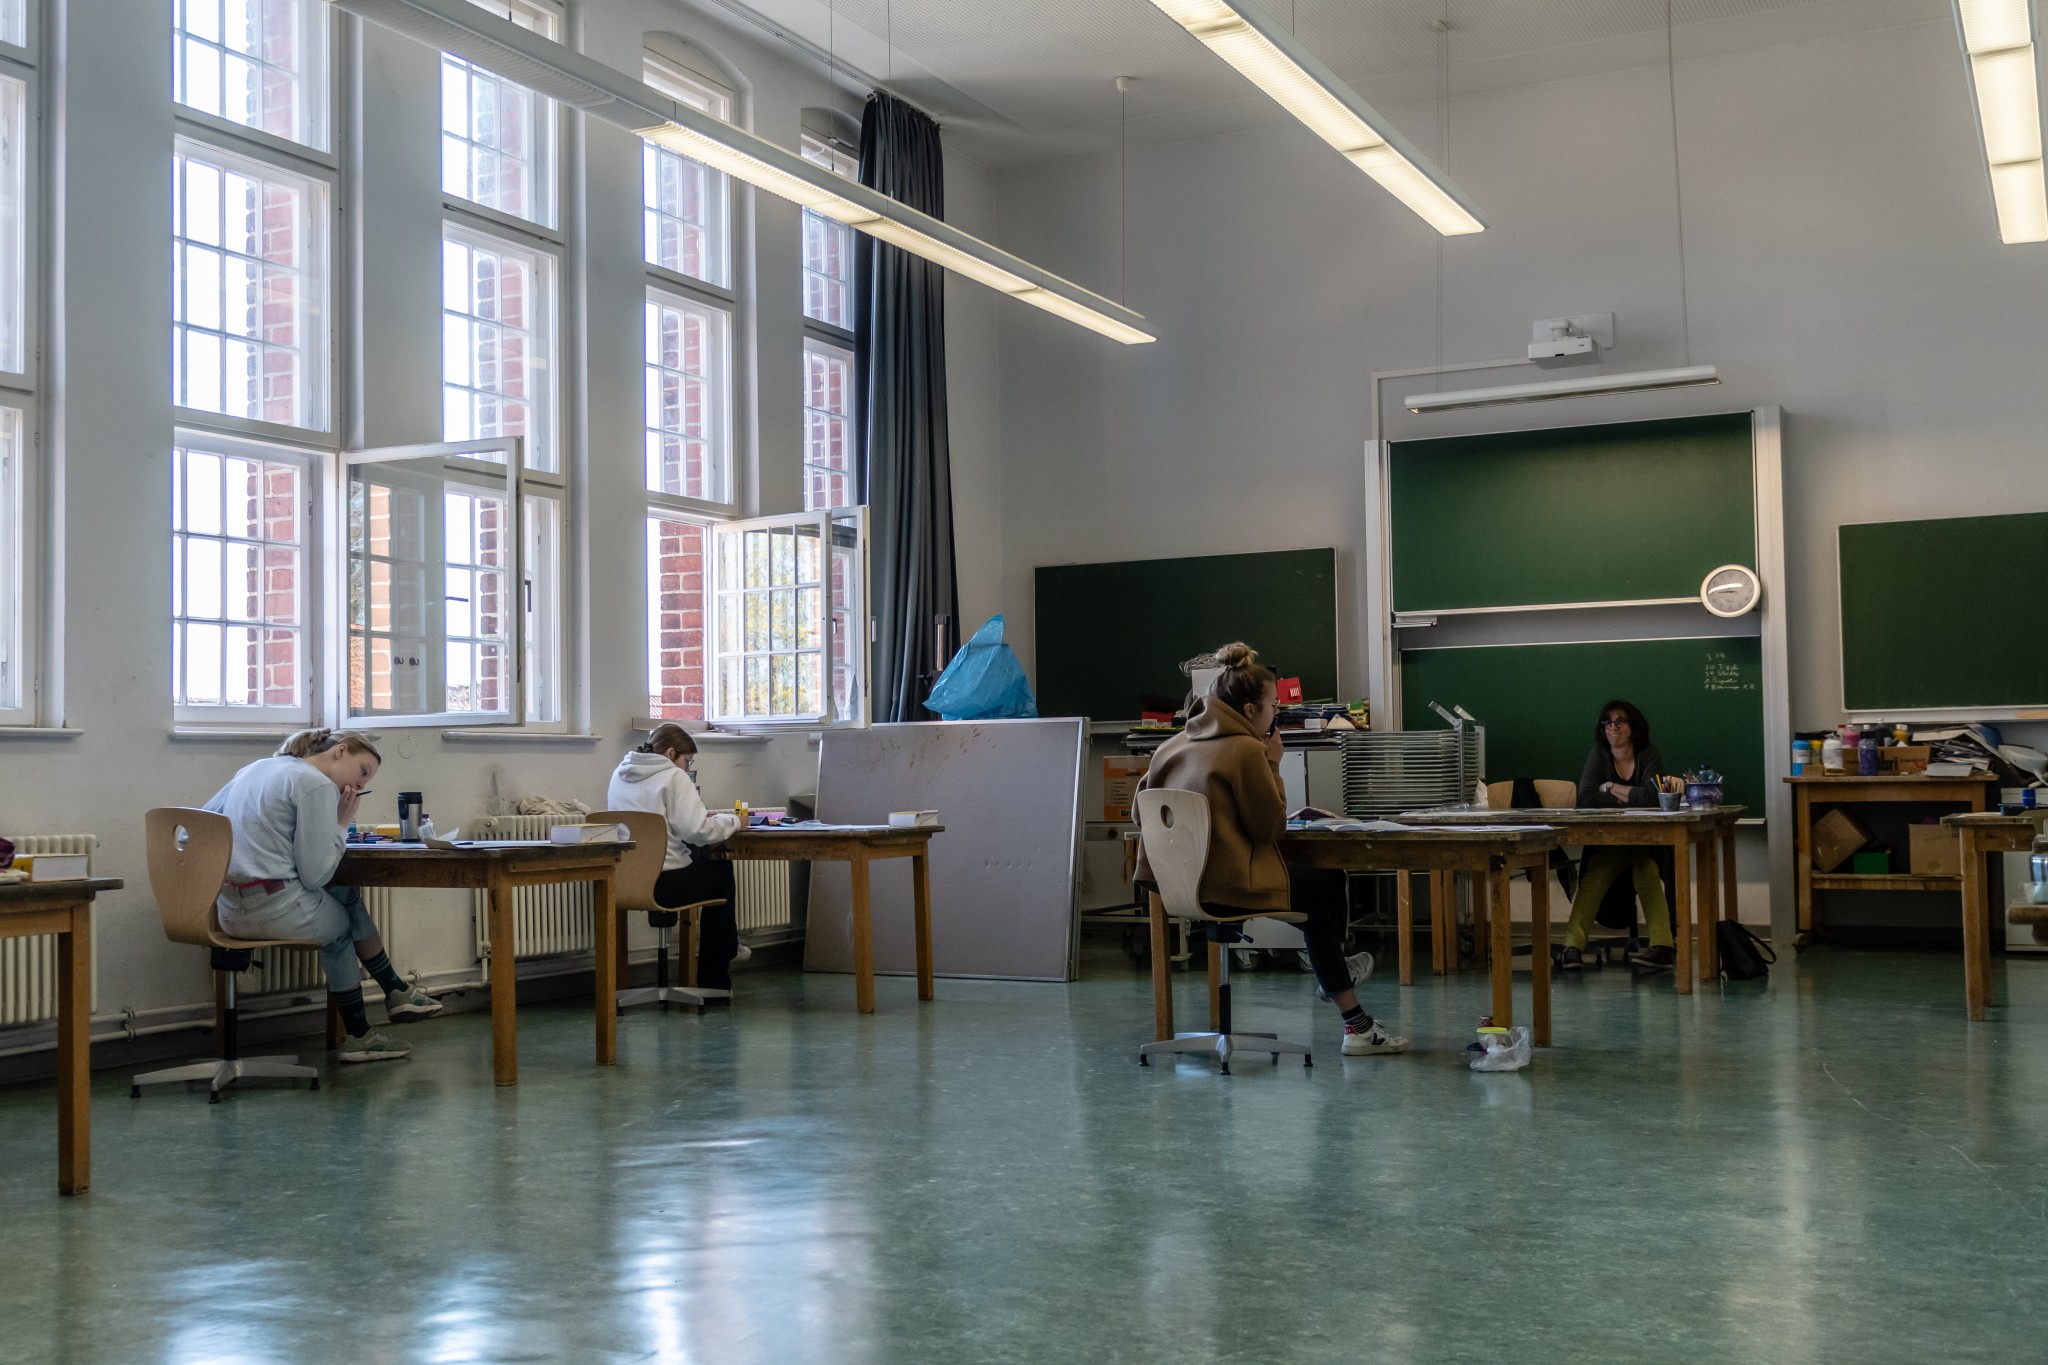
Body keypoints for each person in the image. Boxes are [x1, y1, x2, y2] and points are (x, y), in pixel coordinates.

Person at [1134, 643, 1408, 1056]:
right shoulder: (1246, 750)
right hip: (1227, 887)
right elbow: (1270, 830)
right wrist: (1273, 763)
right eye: (1274, 706)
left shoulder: (1170, 747)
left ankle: (1340, 984)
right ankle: (1348, 1006)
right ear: (1249, 710)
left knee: (1317, 902)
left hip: (1173, 887)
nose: (1277, 713)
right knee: (1327, 883)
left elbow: (1140, 813)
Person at [204, 728, 441, 1063]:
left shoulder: (256, 768)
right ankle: (361, 1034)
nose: (360, 785)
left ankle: (397, 991)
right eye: (362, 772)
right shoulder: (314, 783)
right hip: (274, 910)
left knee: (344, 892)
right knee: (341, 926)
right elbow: (315, 877)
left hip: (228, 912)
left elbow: (194, 829)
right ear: (340, 751)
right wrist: (341, 824)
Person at [607, 724, 745, 994]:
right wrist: (735, 822)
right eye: (687, 761)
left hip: (623, 882)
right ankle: (717, 975)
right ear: (671, 753)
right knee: (721, 870)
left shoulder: (620, 773)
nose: (687, 768)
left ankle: (728, 947)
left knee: (699, 861)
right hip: (665, 885)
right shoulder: (673, 776)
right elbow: (698, 831)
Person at [1560, 699, 1686, 971]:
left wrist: (1609, 787)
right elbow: (1586, 798)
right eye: (1607, 722)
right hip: (1611, 842)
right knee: (1594, 878)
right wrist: (1628, 796)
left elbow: (1652, 797)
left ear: (1633, 725)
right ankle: (1571, 947)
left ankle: (1663, 947)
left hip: (1648, 843)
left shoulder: (1648, 754)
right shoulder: (1599, 754)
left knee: (1646, 874)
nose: (1612, 727)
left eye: (1620, 721)